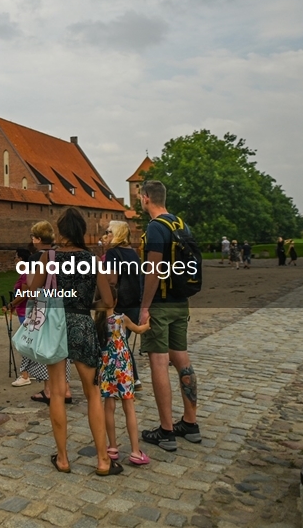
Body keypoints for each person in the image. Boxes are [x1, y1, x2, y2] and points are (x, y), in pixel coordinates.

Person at [29, 208, 119, 476]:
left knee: (56, 392)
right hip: (81, 324)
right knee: (93, 393)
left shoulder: (49, 257)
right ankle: (103, 460)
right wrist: (86, 303)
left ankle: (64, 458)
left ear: (61, 231)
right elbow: (109, 301)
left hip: (56, 325)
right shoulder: (93, 260)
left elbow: (33, 290)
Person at [139, 180, 202, 453]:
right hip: (181, 302)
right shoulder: (181, 224)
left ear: (145, 198)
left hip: (161, 304)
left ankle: (165, 431)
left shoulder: (155, 227)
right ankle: (190, 423)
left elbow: (153, 270)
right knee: (182, 360)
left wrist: (144, 307)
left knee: (158, 361)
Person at [95, 284, 152, 466]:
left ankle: (112, 446)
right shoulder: (121, 319)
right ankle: (135, 451)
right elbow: (139, 330)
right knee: (129, 407)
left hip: (106, 368)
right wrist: (148, 323)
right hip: (123, 369)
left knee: (109, 407)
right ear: (116, 301)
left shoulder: (97, 322)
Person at [23, 221, 73, 405]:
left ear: (36, 239)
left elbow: (31, 285)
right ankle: (65, 387)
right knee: (61, 347)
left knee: (43, 345)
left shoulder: (35, 258)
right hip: (61, 304)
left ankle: (48, 389)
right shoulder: (60, 254)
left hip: (43, 306)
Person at [102, 221, 143, 389]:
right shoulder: (132, 253)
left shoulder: (113, 252)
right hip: (135, 303)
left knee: (116, 342)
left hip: (120, 303)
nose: (106, 235)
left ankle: (127, 379)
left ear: (117, 233)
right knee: (121, 342)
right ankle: (133, 378)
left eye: (109, 232)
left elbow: (112, 279)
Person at [4, 248, 32, 386]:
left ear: (21, 259)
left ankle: (25, 375)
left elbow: (25, 294)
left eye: (16, 257)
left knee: (24, 343)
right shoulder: (25, 273)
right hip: (23, 311)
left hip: (25, 312)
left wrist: (10, 304)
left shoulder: (26, 273)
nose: (14, 260)